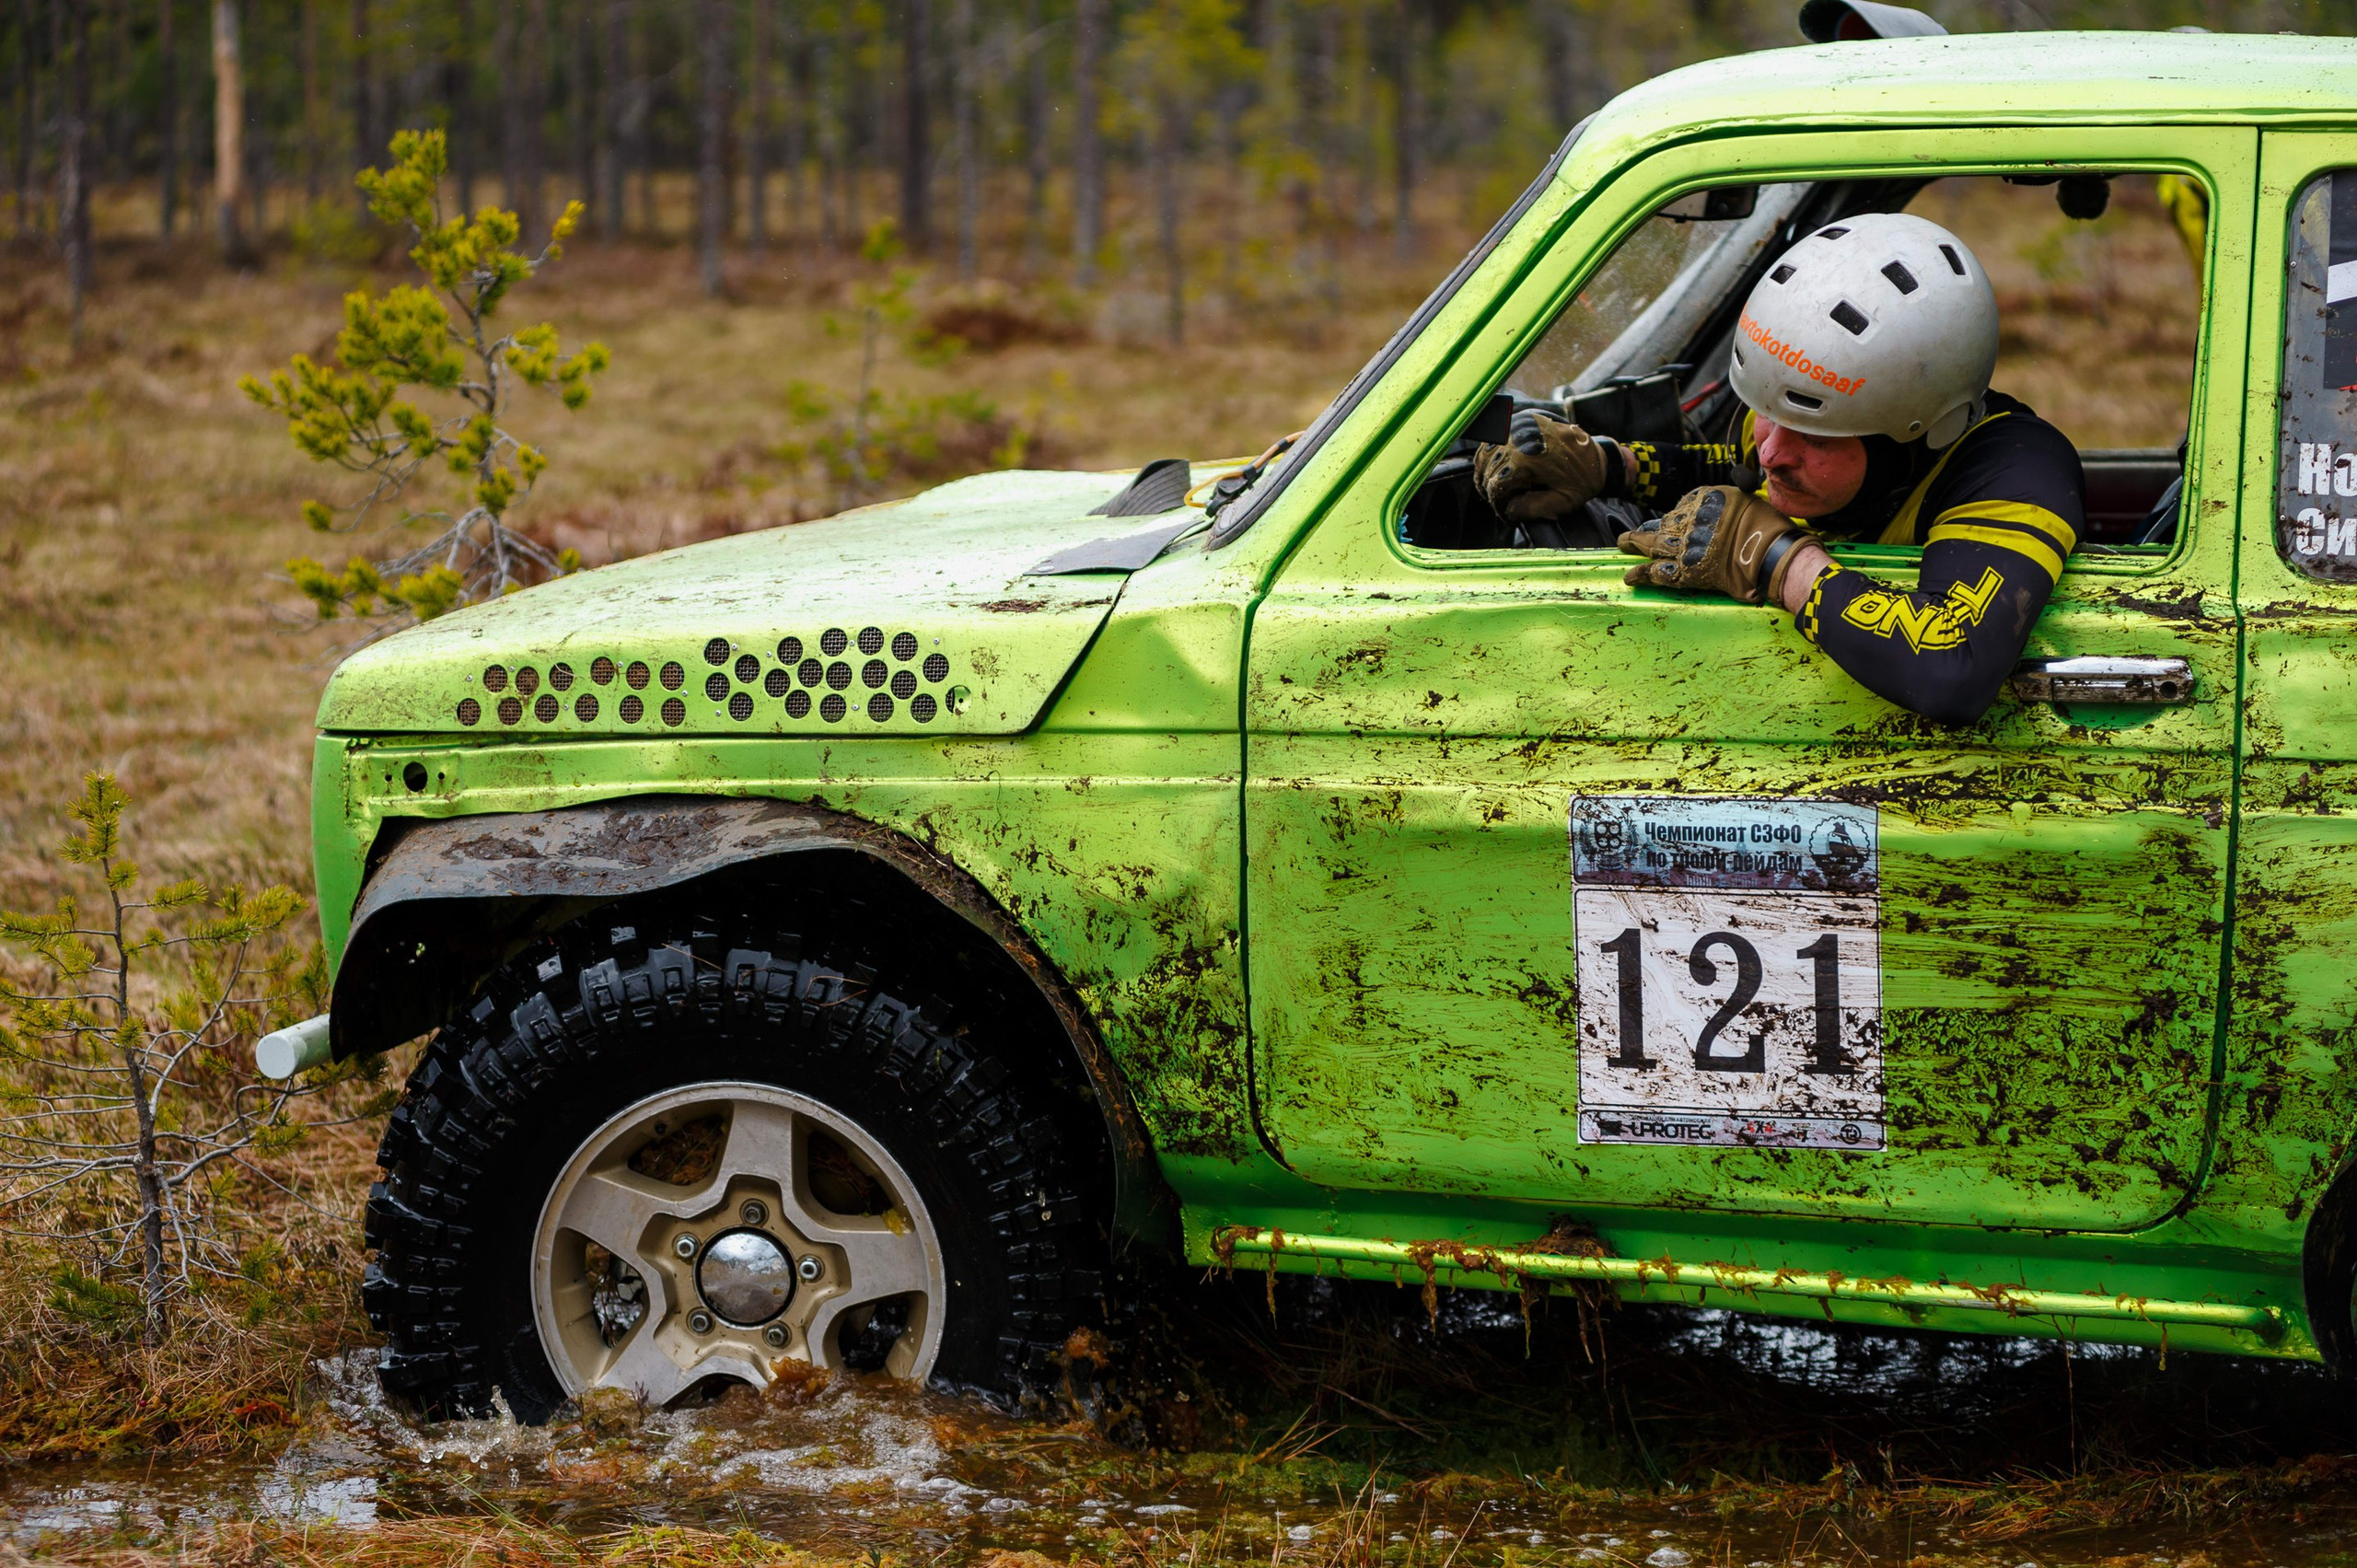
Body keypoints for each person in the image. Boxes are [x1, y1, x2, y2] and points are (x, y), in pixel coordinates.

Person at [1475, 212, 2084, 725]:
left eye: (1814, 435)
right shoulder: (1788, 417)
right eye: (1763, 412)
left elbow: (1953, 668)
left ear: (1920, 434)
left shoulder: (2015, 470)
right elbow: (1742, 474)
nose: (1771, 450)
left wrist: (1778, 561)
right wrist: (1612, 465)